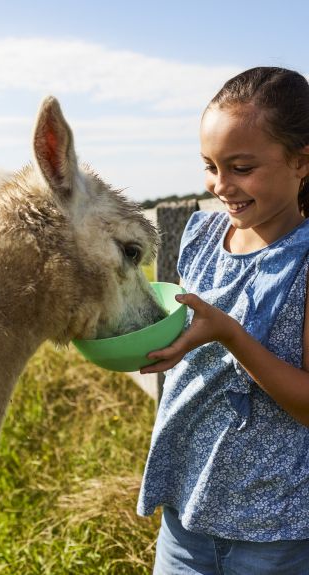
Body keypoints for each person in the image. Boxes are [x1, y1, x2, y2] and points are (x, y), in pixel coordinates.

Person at [138, 67, 309, 574]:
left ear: (303, 161)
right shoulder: (202, 236)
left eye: (240, 167)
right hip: (185, 515)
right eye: (209, 165)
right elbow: (185, 330)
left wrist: (230, 335)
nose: (220, 185)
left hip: (272, 531)